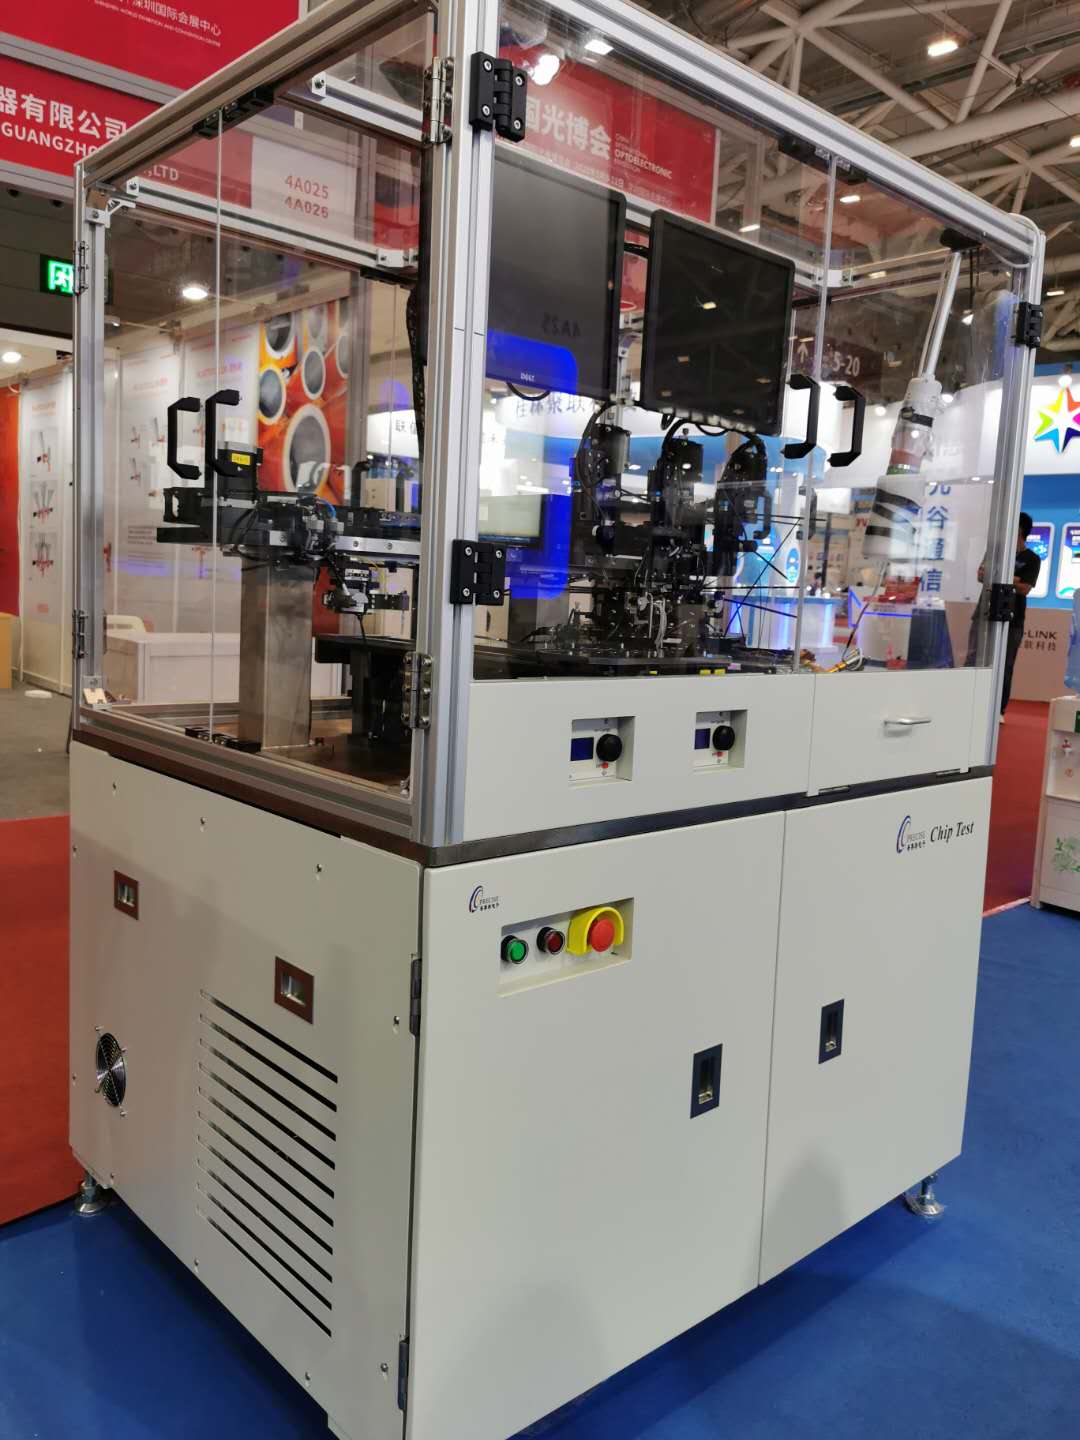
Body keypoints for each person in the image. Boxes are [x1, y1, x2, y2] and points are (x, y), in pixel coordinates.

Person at [1000, 512, 1041, 718]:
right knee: (977, 660)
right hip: (988, 614)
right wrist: (1015, 578)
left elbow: (1025, 588)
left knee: (1006, 665)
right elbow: (982, 574)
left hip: (1014, 619)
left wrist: (1004, 576)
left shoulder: (1032, 559)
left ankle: (999, 709)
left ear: (1020, 529)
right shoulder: (999, 553)